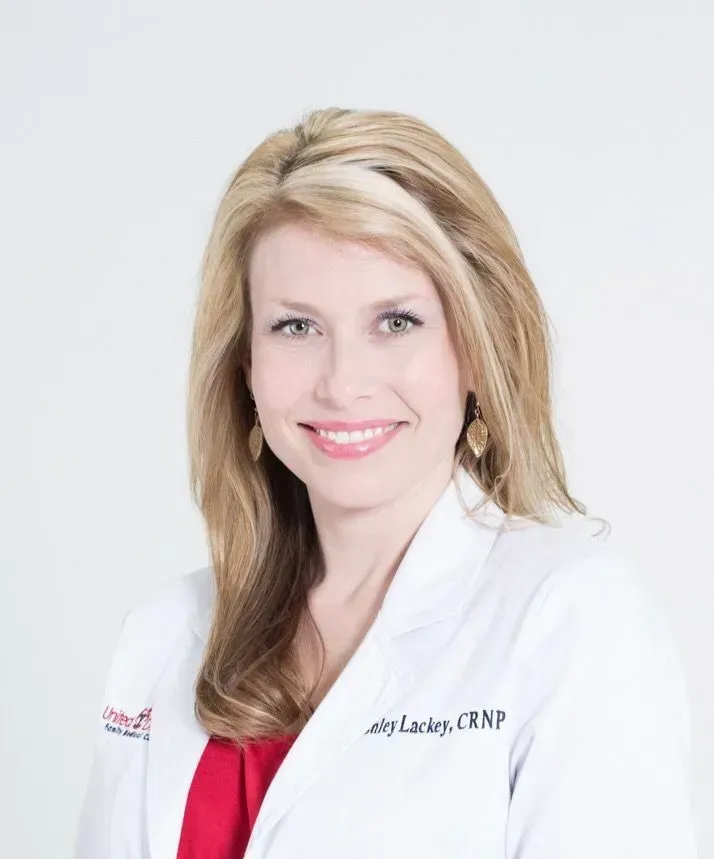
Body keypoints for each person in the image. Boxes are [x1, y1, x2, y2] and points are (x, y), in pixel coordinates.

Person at [73, 107, 699, 859]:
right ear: (244, 362)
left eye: (396, 321)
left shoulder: (572, 619)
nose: (344, 383)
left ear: (475, 345)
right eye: (296, 326)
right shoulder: (163, 635)